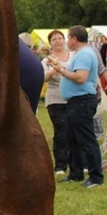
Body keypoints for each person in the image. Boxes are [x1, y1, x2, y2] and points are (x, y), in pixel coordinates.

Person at [48, 26, 103, 188]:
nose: (66, 41)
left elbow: (80, 77)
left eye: (67, 37)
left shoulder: (84, 54)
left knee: (87, 139)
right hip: (74, 102)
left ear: (74, 39)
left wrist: (61, 70)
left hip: (82, 101)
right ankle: (76, 172)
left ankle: (95, 176)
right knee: (72, 139)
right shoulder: (81, 54)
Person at [42, 30, 71, 176]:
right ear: (50, 43)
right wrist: (53, 70)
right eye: (54, 39)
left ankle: (78, 162)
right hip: (55, 98)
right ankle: (60, 165)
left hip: (72, 97)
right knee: (61, 130)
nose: (58, 41)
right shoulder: (46, 60)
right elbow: (42, 78)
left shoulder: (73, 56)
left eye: (60, 38)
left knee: (74, 130)